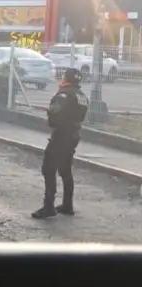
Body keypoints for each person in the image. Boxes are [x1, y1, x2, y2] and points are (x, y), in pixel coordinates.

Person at [32, 68, 89, 219]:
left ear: (67, 78)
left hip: (61, 135)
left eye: (63, 76)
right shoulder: (81, 95)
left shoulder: (64, 94)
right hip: (74, 135)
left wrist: (49, 110)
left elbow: (55, 110)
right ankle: (67, 205)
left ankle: (48, 206)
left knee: (48, 169)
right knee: (65, 169)